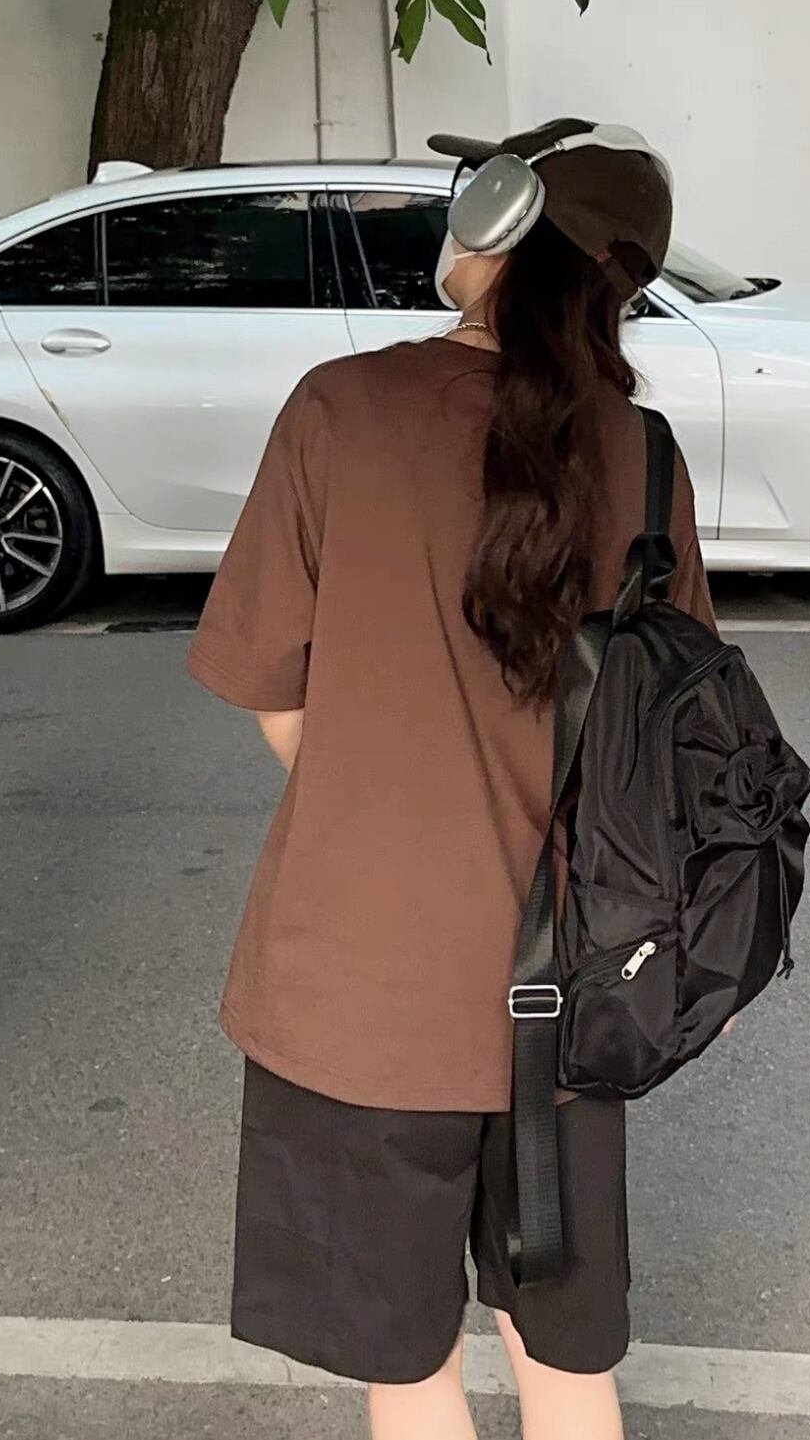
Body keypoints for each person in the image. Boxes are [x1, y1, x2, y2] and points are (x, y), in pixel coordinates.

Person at [186, 119, 717, 1440]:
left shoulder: (341, 411)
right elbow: (671, 738)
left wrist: (383, 793)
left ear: (498, 223)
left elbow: (275, 695)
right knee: (565, 1361)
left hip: (363, 992)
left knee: (409, 1368)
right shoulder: (646, 455)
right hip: (573, 997)